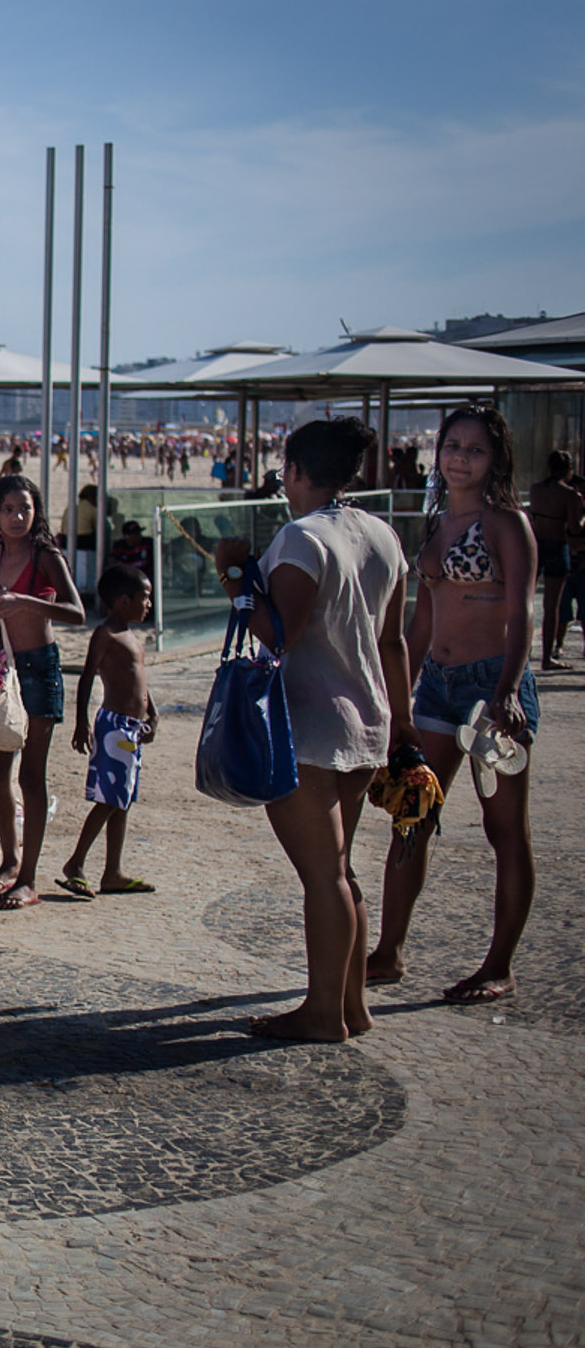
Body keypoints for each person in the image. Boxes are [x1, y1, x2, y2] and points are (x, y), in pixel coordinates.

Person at [214, 416, 408, 1043]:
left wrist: (234, 578)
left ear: (296, 471)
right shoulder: (381, 535)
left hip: (308, 725)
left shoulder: (303, 538)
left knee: (323, 876)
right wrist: (401, 726)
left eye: (284, 470)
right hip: (366, 719)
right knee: (341, 869)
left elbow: (280, 633)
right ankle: (350, 1006)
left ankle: (324, 1012)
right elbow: (394, 641)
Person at [366, 406, 539, 1004]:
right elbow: (420, 620)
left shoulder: (506, 524)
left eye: (476, 449)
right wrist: (397, 694)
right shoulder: (436, 523)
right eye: (453, 446)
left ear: (495, 461)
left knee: (503, 830)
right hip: (436, 685)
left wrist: (508, 691)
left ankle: (500, 965)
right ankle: (388, 953)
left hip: (490, 692)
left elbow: (521, 615)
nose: (460, 457)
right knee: (412, 814)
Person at [0, 474, 86, 909]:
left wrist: (25, 601)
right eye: (9, 509)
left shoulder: (44, 554)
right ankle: (9, 860)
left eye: (25, 509)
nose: (17, 517)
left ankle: (28, 878)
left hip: (38, 668)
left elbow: (76, 612)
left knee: (31, 774)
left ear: (37, 512)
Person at [58, 562, 157, 896]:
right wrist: (81, 721)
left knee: (122, 801)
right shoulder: (106, 634)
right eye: (144, 598)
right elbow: (87, 676)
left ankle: (112, 871)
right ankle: (76, 863)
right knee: (109, 799)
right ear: (122, 601)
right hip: (114, 728)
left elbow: (140, 682)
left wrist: (152, 714)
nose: (149, 605)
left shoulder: (132, 637)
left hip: (133, 728)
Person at [526, 450, 583, 669]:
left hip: (537, 545)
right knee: (552, 607)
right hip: (558, 546)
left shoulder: (536, 490)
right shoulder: (569, 495)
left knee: (527, 602)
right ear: (568, 470)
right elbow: (574, 528)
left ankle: (525, 652)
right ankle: (547, 657)